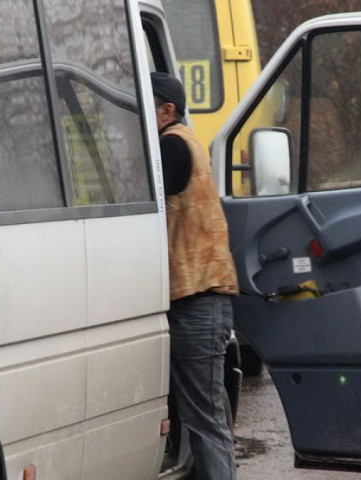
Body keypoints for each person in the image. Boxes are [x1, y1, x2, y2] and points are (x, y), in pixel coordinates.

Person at [150, 71, 239, 480]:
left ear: (167, 110)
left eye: (145, 107)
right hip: (203, 300)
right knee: (204, 420)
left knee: (206, 423)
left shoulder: (171, 145)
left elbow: (146, 207)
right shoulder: (188, 141)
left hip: (197, 301)